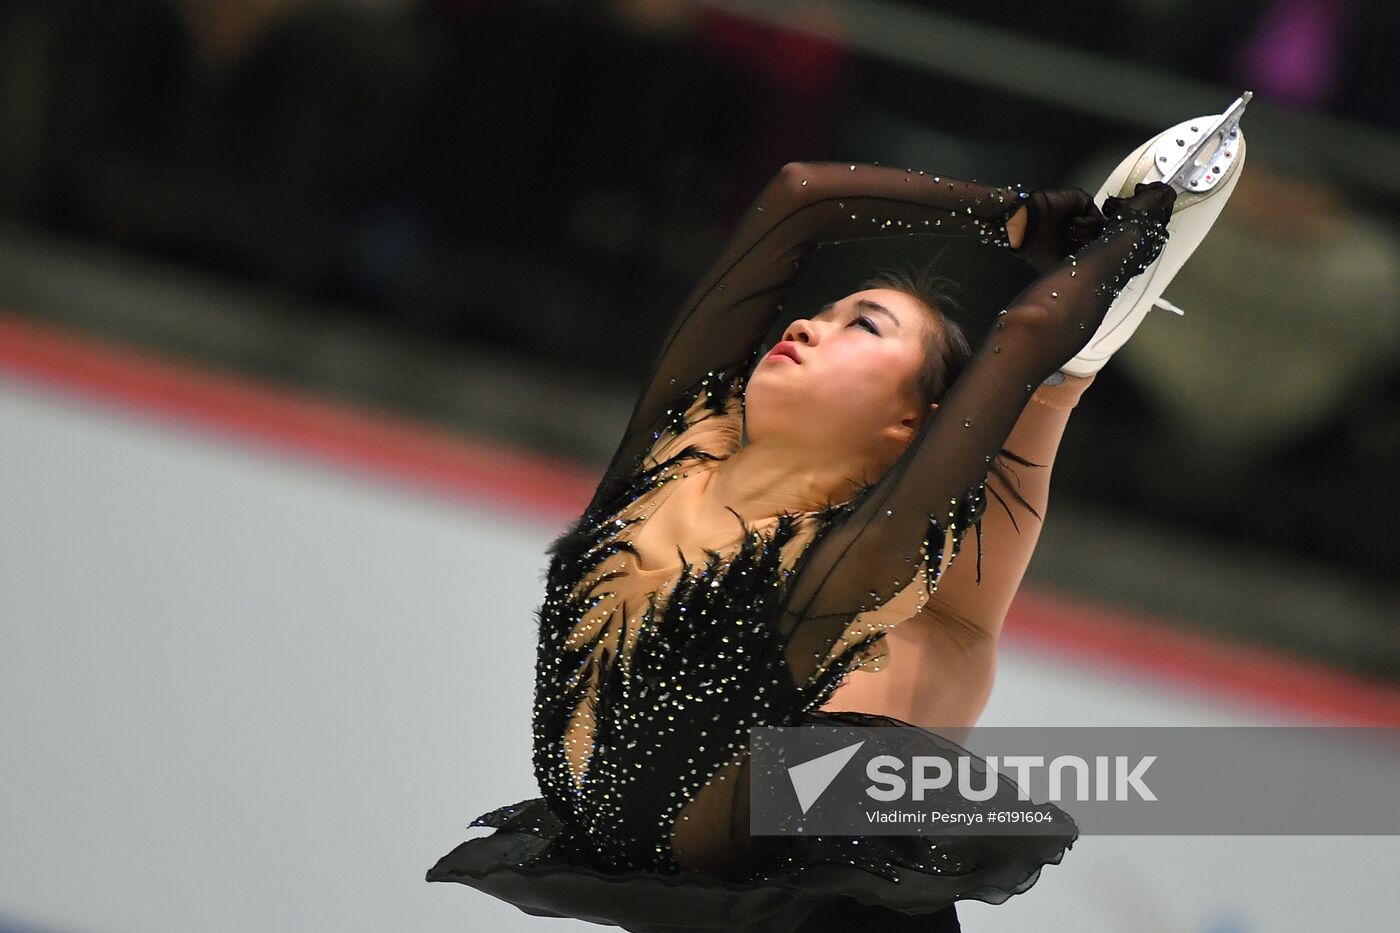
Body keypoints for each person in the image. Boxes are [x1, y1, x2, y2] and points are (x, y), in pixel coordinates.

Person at [426, 159, 1178, 932]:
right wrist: (1013, 215)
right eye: (824, 310)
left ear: (911, 425)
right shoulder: (669, 459)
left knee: (906, 683)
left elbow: (1024, 339)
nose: (806, 324)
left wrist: (1135, 239)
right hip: (698, 878)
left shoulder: (837, 570)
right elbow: (799, 197)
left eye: (865, 325)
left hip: (822, 909)